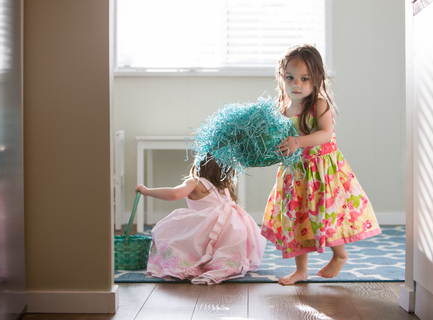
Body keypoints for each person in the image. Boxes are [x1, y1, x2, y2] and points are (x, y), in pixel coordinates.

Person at [261, 44, 381, 285]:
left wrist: (298, 141)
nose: (296, 84)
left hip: (323, 173)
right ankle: (301, 270)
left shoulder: (319, 104)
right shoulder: (282, 108)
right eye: (290, 78)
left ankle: (340, 255)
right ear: (281, 77)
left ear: (317, 79)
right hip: (295, 174)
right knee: (298, 220)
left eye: (304, 79)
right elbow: (280, 138)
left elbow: (325, 134)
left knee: (329, 215)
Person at [135, 155, 266, 285]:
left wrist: (147, 191)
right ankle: (222, 262)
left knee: (171, 235)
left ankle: (194, 262)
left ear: (200, 166)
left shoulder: (196, 182)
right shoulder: (224, 189)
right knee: (218, 236)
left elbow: (175, 193)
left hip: (205, 231)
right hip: (228, 234)